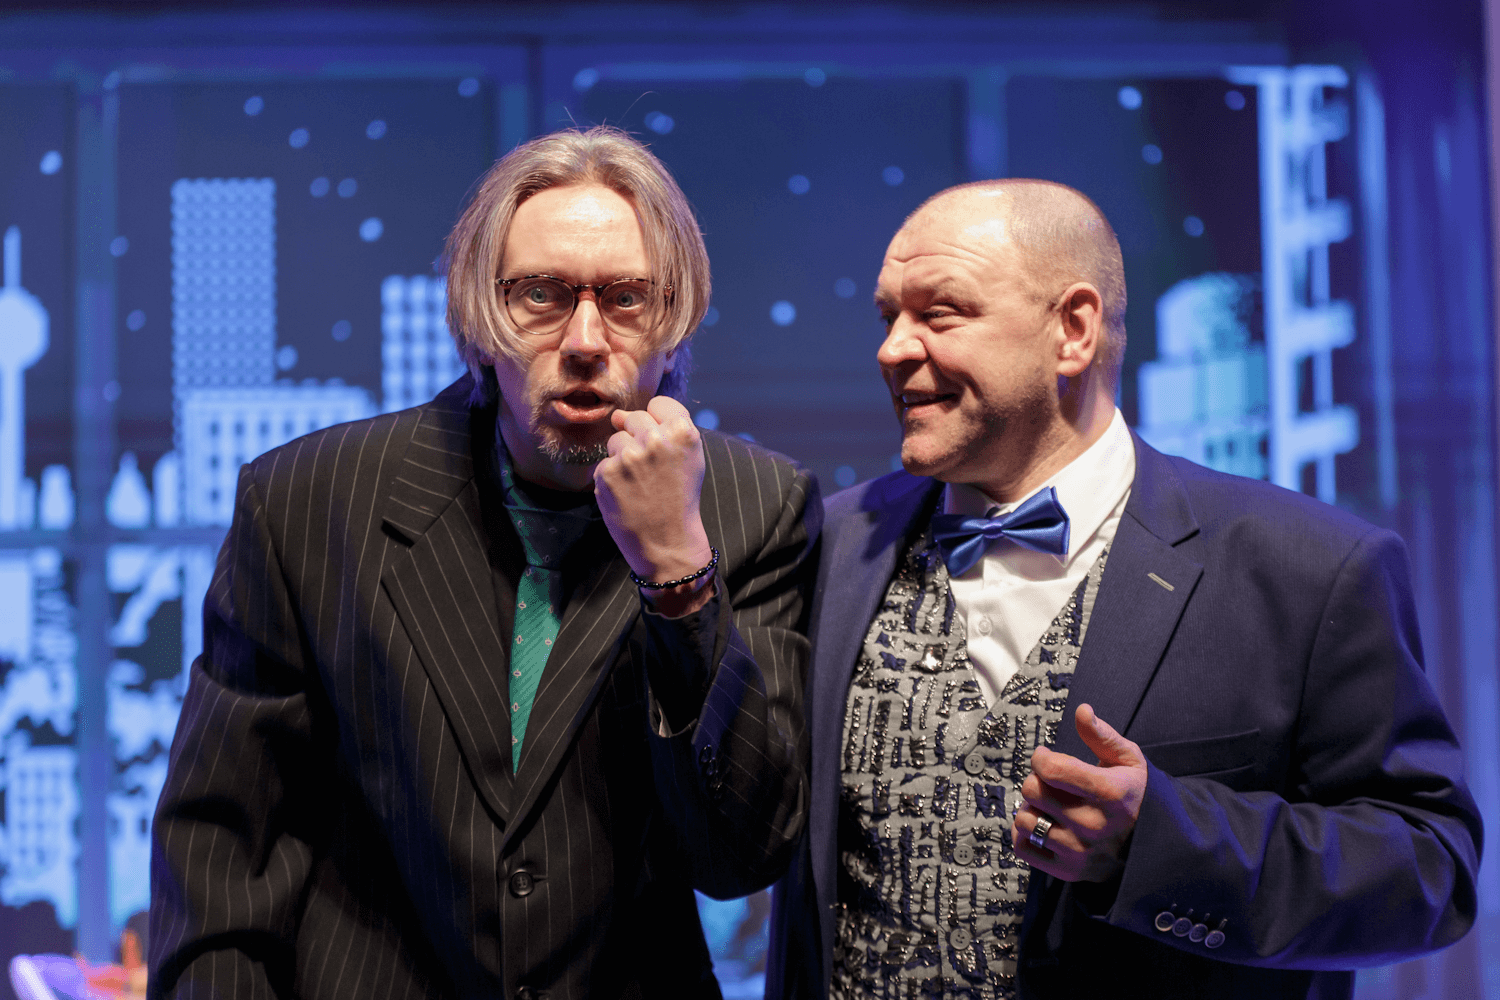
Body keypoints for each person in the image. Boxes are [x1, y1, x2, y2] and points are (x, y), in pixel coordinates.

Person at [149, 126, 819, 1000]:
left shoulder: (758, 507)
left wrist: (677, 572)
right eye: (541, 294)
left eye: (627, 298)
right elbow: (221, 854)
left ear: (675, 321)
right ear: (479, 318)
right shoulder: (310, 499)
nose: (586, 338)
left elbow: (739, 856)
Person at [768, 180, 1482, 1000]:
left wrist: (1160, 843)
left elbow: (1430, 869)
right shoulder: (830, 544)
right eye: (888, 316)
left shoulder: (1310, 569)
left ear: (1073, 330)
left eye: (941, 313)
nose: (893, 348)